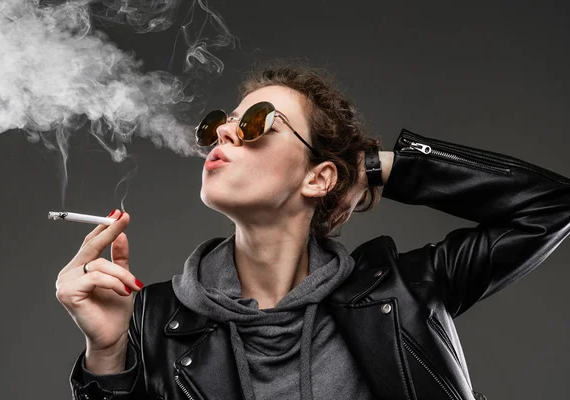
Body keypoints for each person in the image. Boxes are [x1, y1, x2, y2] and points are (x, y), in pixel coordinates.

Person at [57, 61, 570, 400]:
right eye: (222, 122)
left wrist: (375, 164)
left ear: (318, 177)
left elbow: (551, 207)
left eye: (258, 122)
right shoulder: (151, 316)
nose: (226, 131)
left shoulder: (403, 291)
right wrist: (106, 354)